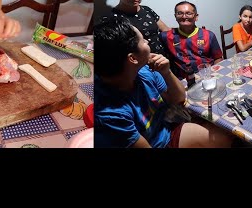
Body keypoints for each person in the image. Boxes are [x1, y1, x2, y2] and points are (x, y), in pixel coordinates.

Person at [94, 17, 233, 148]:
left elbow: (179, 99)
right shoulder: (111, 114)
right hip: (160, 141)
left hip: (168, 121)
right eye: (142, 41)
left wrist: (166, 72)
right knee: (222, 139)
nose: (147, 42)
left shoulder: (143, 70)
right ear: (132, 58)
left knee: (225, 122)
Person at [100, 0, 170, 57]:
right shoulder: (110, 19)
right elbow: (113, 51)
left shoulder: (147, 10)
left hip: (162, 59)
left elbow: (167, 31)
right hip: (138, 66)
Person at [160, 1, 223, 81]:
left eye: (188, 13)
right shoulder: (166, 37)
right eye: (179, 13)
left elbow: (218, 58)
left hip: (207, 76)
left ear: (196, 17)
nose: (184, 16)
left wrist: (213, 75)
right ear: (175, 16)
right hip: (182, 80)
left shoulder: (209, 35)